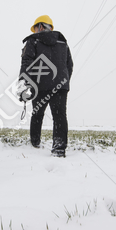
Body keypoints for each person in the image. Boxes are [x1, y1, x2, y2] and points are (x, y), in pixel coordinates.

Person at [18, 15, 73, 157]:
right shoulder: (63, 42)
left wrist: (24, 84)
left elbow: (26, 63)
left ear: (41, 26)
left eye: (36, 28)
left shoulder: (33, 41)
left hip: (40, 85)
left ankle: (35, 143)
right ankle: (59, 149)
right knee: (59, 116)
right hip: (60, 86)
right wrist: (64, 81)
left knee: (37, 114)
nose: (35, 31)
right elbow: (70, 65)